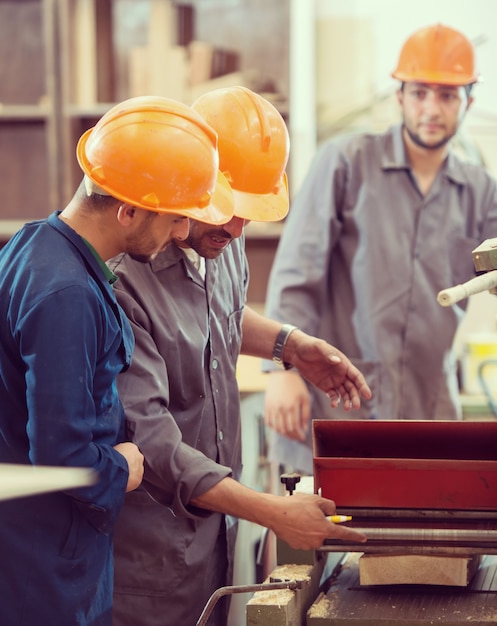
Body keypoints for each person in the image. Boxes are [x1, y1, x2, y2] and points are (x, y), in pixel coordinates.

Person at [0, 95, 234, 626]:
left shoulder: (30, 245)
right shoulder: (67, 294)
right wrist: (125, 467)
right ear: (128, 209)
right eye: (176, 218)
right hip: (39, 577)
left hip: (3, 552)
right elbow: (66, 461)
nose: (182, 234)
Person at [108, 86, 370, 626]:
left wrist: (290, 345)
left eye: (250, 214)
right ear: (190, 180)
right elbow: (153, 443)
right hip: (149, 558)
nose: (237, 227)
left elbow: (216, 319)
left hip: (218, 538)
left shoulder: (223, 237)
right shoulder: (122, 278)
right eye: (226, 209)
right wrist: (275, 513)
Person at [263, 23, 497, 475]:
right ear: (400, 96)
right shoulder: (346, 162)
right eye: (420, 93)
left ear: (467, 101)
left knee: (422, 541)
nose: (432, 108)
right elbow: (296, 275)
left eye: (447, 96)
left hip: (428, 412)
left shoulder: (481, 191)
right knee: (312, 534)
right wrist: (282, 370)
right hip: (335, 404)